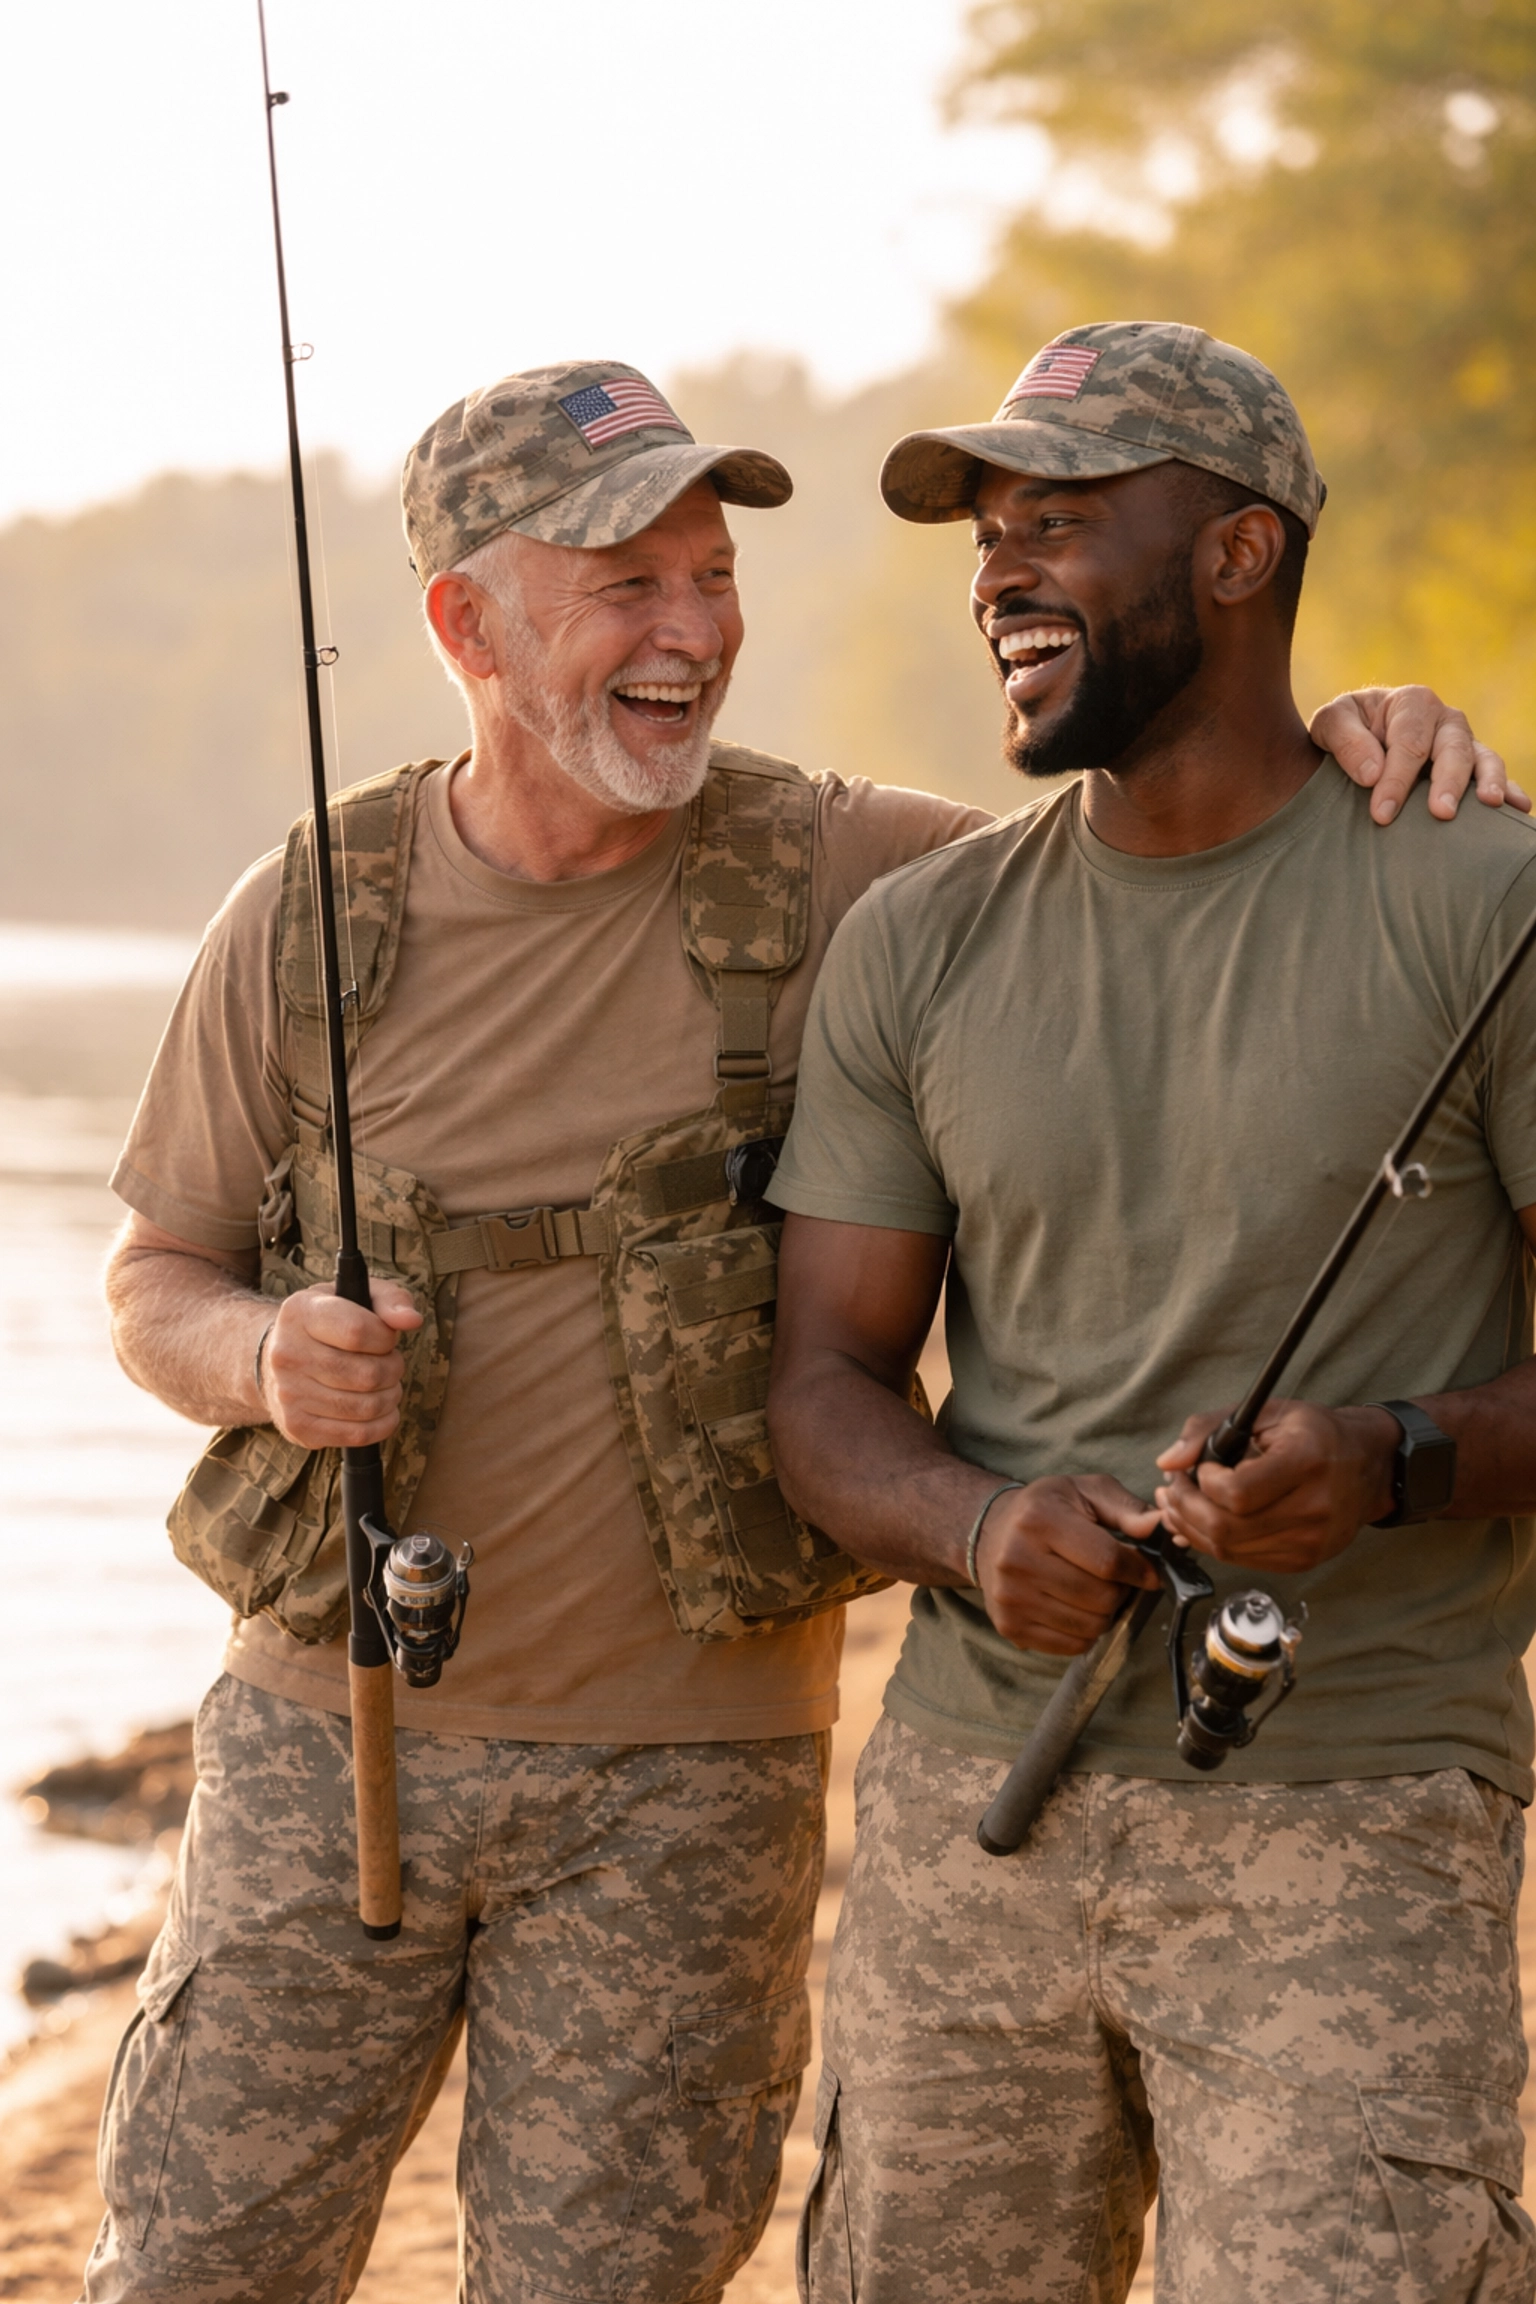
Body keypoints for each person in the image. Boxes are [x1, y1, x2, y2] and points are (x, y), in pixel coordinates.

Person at [93, 351, 1508, 2304]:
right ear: (464, 623)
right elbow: (155, 1274)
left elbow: (1168, 816)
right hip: (326, 1735)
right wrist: (256, 1357)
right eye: (629, 586)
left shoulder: (862, 870)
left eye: (714, 578)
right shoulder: (308, 913)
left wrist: (1369, 736)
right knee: (186, 2263)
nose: (693, 633)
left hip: (698, 1789)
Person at [765, 322, 1536, 2304]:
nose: (1000, 568)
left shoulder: (1483, 899)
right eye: (987, 531)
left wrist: (1393, 1462)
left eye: (1062, 521)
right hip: (967, 1815)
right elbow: (826, 1380)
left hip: (1362, 1822)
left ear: (1238, 553)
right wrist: (971, 1527)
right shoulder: (917, 940)